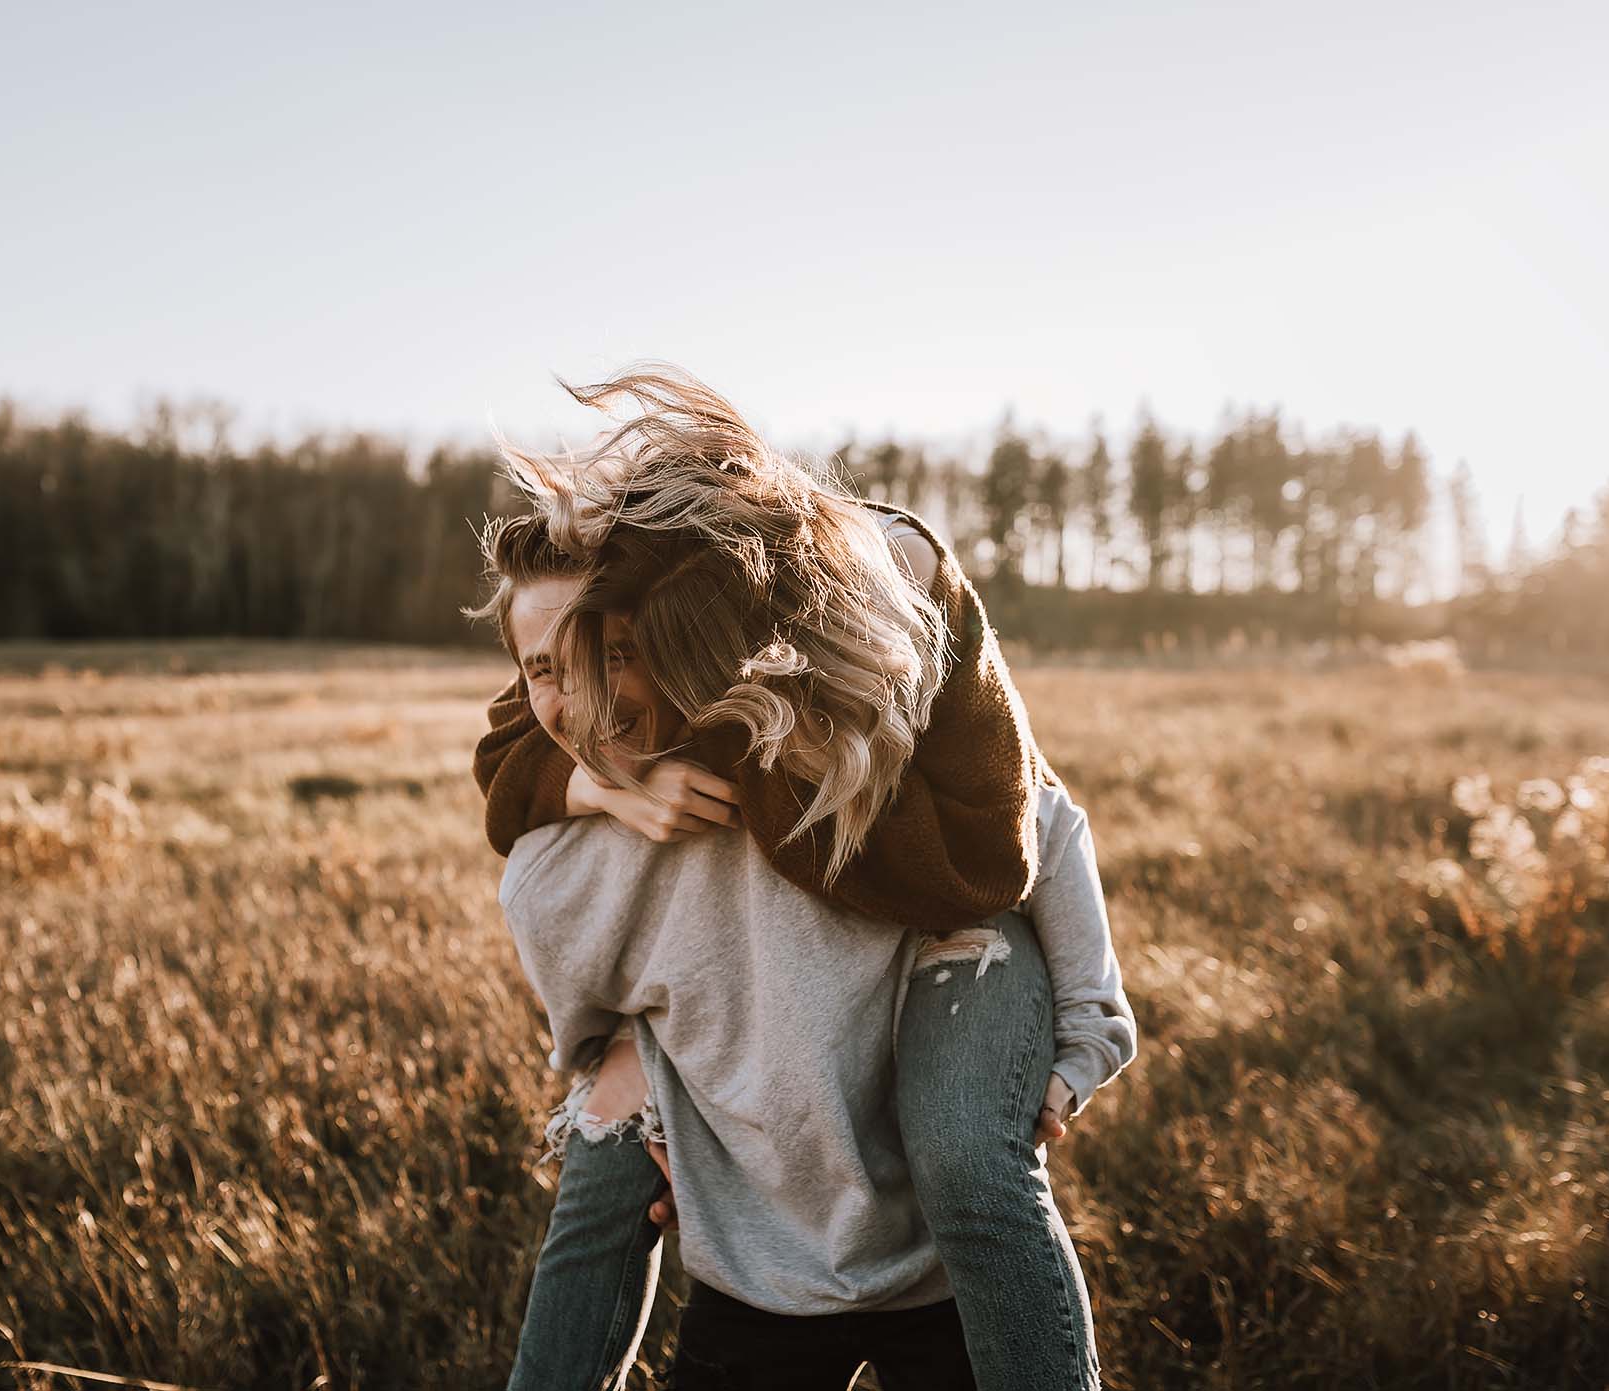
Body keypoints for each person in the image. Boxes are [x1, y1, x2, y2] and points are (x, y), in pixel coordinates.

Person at [470, 367, 1137, 1388]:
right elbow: (516, 741)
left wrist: (1089, 1023)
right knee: (603, 1155)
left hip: (957, 931)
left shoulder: (887, 608)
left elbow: (1033, 807)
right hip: (764, 1173)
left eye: (603, 660)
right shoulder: (613, 651)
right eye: (546, 667)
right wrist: (598, 791)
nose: (583, 697)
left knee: (968, 1163)